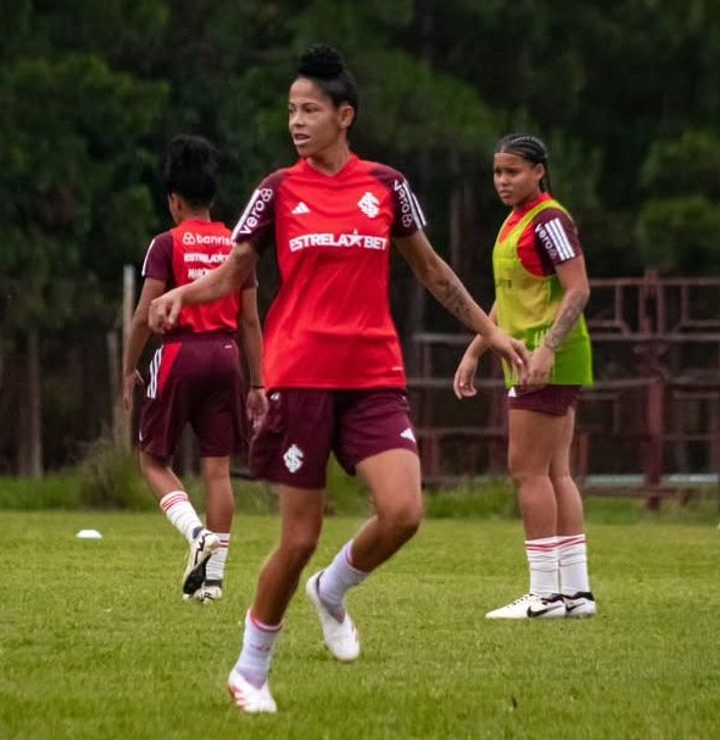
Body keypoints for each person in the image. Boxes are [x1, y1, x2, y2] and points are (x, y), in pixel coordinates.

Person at [149, 45, 531, 713]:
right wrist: (186, 295)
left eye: (310, 110)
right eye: (291, 110)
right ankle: (250, 671)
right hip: (301, 378)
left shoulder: (386, 186)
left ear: (343, 115)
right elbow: (237, 271)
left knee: (405, 511)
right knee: (298, 537)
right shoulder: (276, 190)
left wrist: (492, 333)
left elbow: (433, 271)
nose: (296, 121)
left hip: (374, 374)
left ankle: (333, 589)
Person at [453, 133, 596, 620]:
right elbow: (509, 298)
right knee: (555, 471)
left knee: (527, 471)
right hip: (527, 354)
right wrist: (476, 349)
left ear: (539, 171)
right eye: (497, 172)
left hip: (543, 359)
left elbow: (577, 290)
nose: (502, 180)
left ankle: (545, 595)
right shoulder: (516, 222)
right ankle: (574, 592)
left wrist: (548, 350)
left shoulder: (550, 219)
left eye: (512, 171)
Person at [123, 135, 266, 604]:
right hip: (227, 357)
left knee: (152, 459)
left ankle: (195, 534)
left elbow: (146, 315)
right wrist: (259, 382)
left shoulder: (167, 244)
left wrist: (129, 369)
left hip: (181, 353)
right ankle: (213, 582)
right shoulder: (237, 246)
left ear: (174, 201)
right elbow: (250, 319)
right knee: (219, 472)